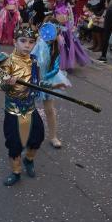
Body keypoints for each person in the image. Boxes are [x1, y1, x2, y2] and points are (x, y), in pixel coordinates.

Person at [0, 25, 46, 186]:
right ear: (14, 42)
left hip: (30, 108)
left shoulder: (34, 60)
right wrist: (8, 83)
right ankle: (16, 172)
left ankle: (29, 160)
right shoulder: (7, 62)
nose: (27, 45)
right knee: (14, 143)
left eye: (31, 42)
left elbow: (36, 81)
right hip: (13, 110)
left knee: (38, 137)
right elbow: (0, 86)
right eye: (23, 41)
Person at [32, 20, 71, 148]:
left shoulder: (56, 48)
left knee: (49, 110)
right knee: (28, 107)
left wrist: (44, 79)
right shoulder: (37, 43)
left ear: (57, 32)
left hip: (48, 79)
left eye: (53, 30)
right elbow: (30, 59)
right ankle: (26, 132)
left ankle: (53, 136)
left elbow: (55, 68)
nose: (48, 33)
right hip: (33, 78)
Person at [54, 0, 90, 70]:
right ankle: (57, 62)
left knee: (65, 46)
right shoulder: (56, 3)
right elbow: (55, 15)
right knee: (58, 46)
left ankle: (65, 63)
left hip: (65, 29)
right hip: (57, 27)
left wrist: (72, 27)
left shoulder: (68, 5)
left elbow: (72, 17)